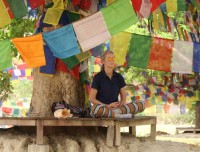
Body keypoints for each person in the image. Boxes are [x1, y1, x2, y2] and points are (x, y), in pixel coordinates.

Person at [90, 51, 145, 118]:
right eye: (109, 58)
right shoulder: (97, 77)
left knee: (141, 104)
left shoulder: (119, 77)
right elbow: (92, 99)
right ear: (103, 61)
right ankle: (118, 116)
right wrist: (107, 106)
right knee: (95, 109)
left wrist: (119, 105)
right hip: (103, 107)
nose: (112, 60)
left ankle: (115, 114)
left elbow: (123, 98)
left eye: (113, 58)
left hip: (117, 108)